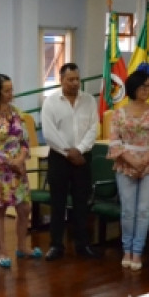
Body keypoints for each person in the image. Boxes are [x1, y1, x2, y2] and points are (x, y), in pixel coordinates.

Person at [106, 67, 149, 271]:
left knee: (143, 210)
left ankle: (138, 252)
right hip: (125, 164)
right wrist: (132, 160)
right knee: (128, 210)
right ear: (133, 87)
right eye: (143, 86)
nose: (147, 90)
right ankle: (127, 250)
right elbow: (114, 142)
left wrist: (145, 159)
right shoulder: (119, 113)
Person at [40, 63, 100, 260]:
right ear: (61, 80)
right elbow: (49, 133)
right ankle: (56, 245)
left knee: (81, 203)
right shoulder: (51, 102)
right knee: (58, 203)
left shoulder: (89, 101)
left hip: (83, 158)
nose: (75, 83)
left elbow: (93, 128)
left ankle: (82, 244)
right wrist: (69, 152)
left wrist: (79, 150)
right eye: (70, 80)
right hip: (59, 158)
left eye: (77, 79)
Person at [0, 74, 41, 268]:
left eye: (11, 90)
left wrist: (21, 159)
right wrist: (9, 162)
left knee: (24, 208)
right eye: (7, 90)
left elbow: (25, 140)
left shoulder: (16, 112)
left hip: (18, 170)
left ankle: (22, 247)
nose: (10, 94)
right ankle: (2, 251)